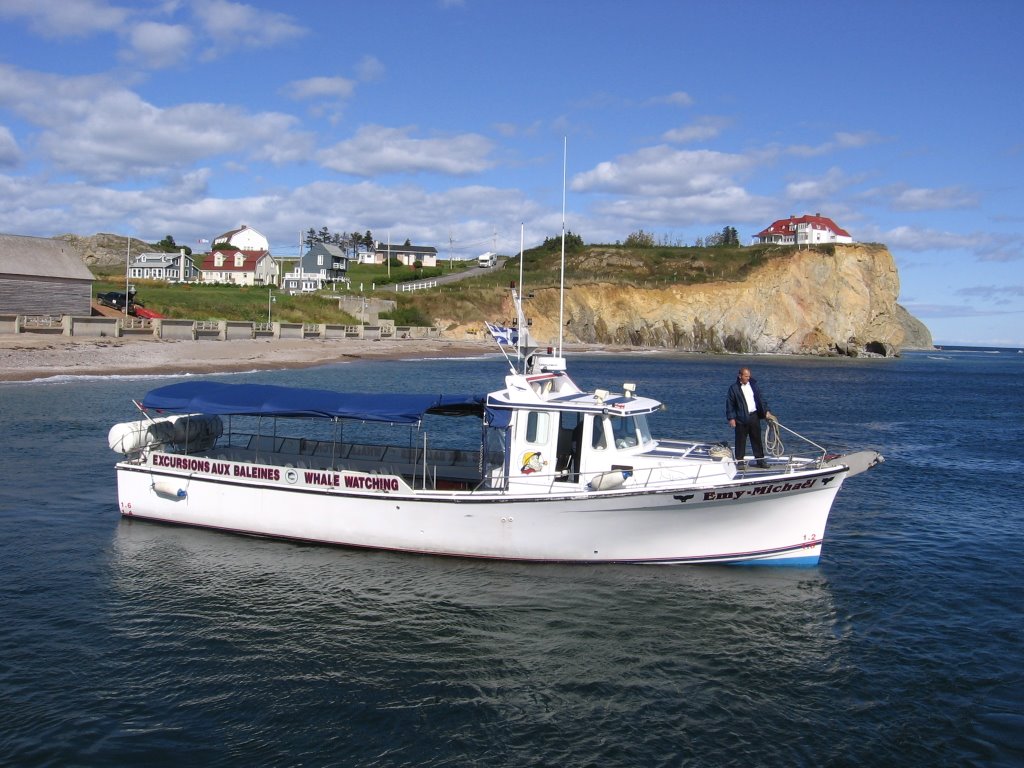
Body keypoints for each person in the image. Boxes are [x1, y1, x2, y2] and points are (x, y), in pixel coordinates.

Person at [725, 367, 773, 468]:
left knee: (756, 439)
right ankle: (740, 461)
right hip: (741, 418)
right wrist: (731, 418)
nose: (748, 378)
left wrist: (766, 411)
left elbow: (761, 399)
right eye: (746, 376)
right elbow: (730, 404)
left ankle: (760, 460)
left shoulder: (754, 385)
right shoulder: (734, 388)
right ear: (740, 376)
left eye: (749, 376)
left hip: (754, 416)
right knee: (740, 440)